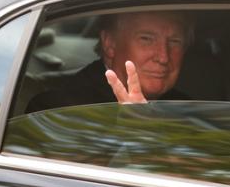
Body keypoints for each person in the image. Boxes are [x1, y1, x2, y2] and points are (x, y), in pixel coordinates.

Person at [26, 11, 193, 113]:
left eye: (174, 41)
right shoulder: (56, 109)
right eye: (146, 39)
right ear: (109, 43)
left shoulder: (190, 110)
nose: (163, 57)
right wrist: (138, 133)